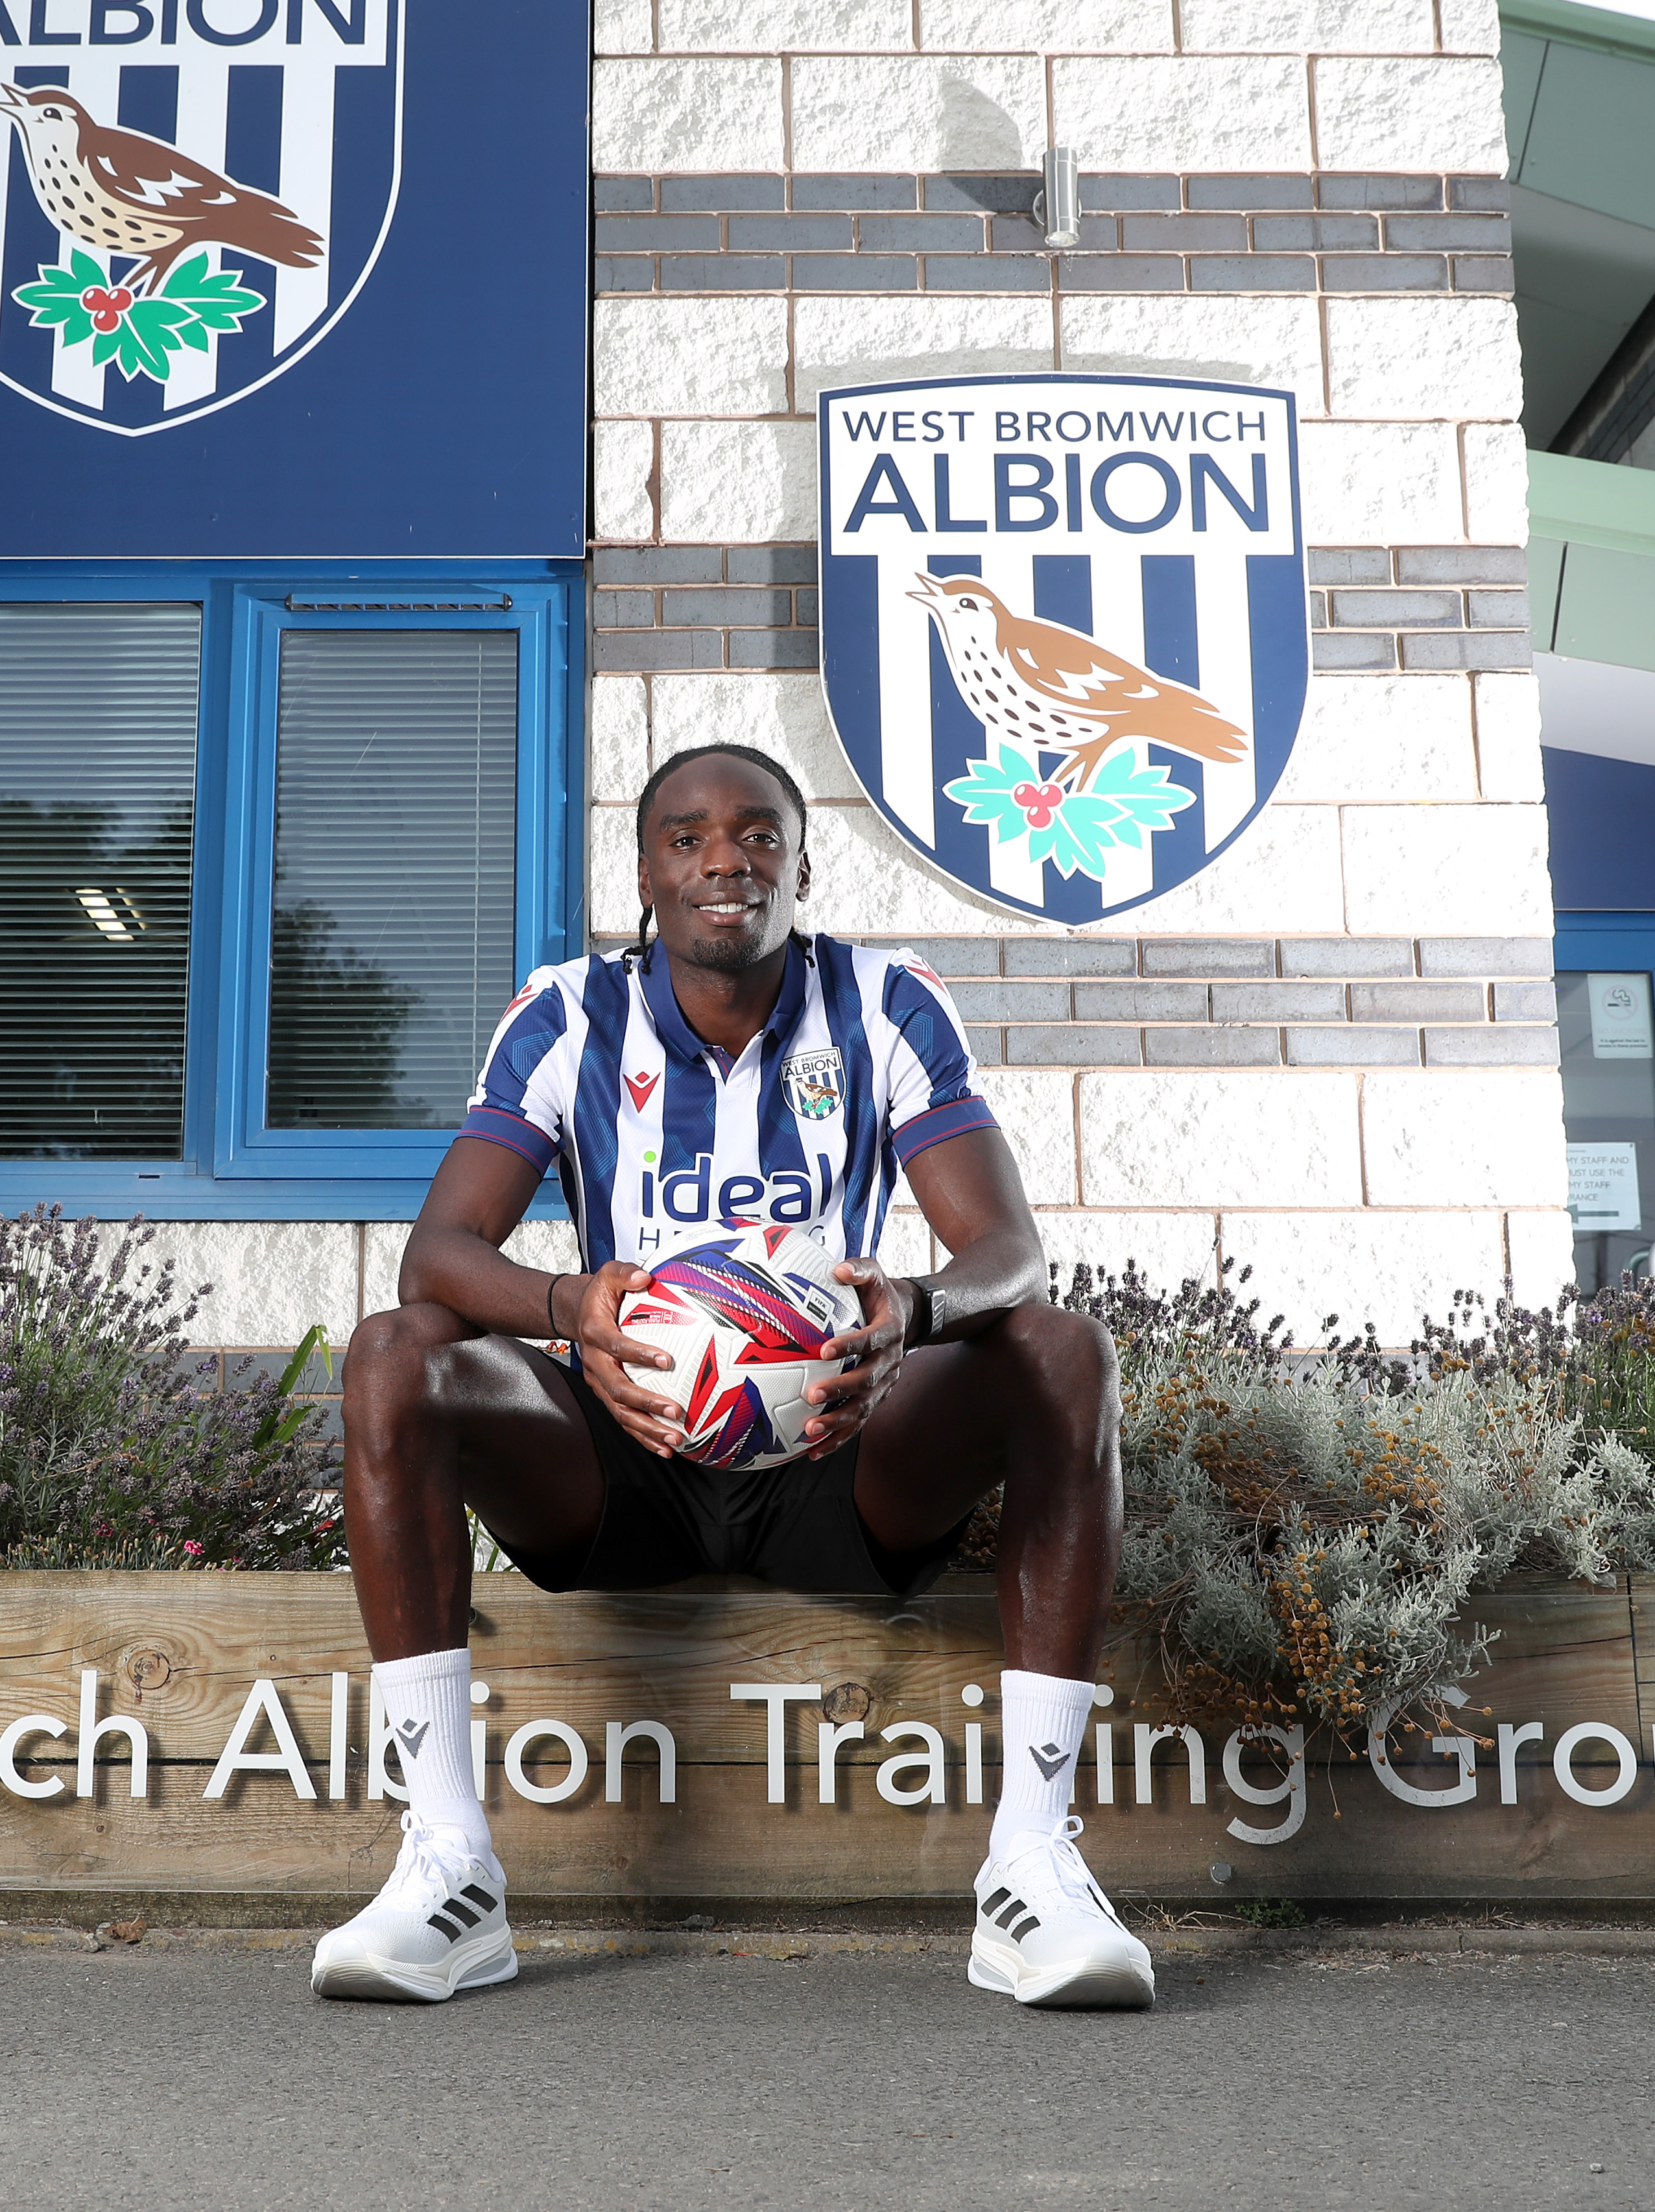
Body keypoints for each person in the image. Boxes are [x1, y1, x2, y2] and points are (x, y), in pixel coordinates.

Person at [310, 741, 1152, 2010]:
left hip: (835, 1456)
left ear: (801, 865)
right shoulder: (567, 1013)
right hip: (624, 1451)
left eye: (759, 835)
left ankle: (1033, 1865)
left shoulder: (886, 1004)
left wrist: (910, 1312)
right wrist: (563, 1309)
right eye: (689, 838)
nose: (725, 860)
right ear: (644, 872)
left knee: (1061, 1352)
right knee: (391, 1355)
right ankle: (447, 1870)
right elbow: (440, 1252)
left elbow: (1009, 1255)